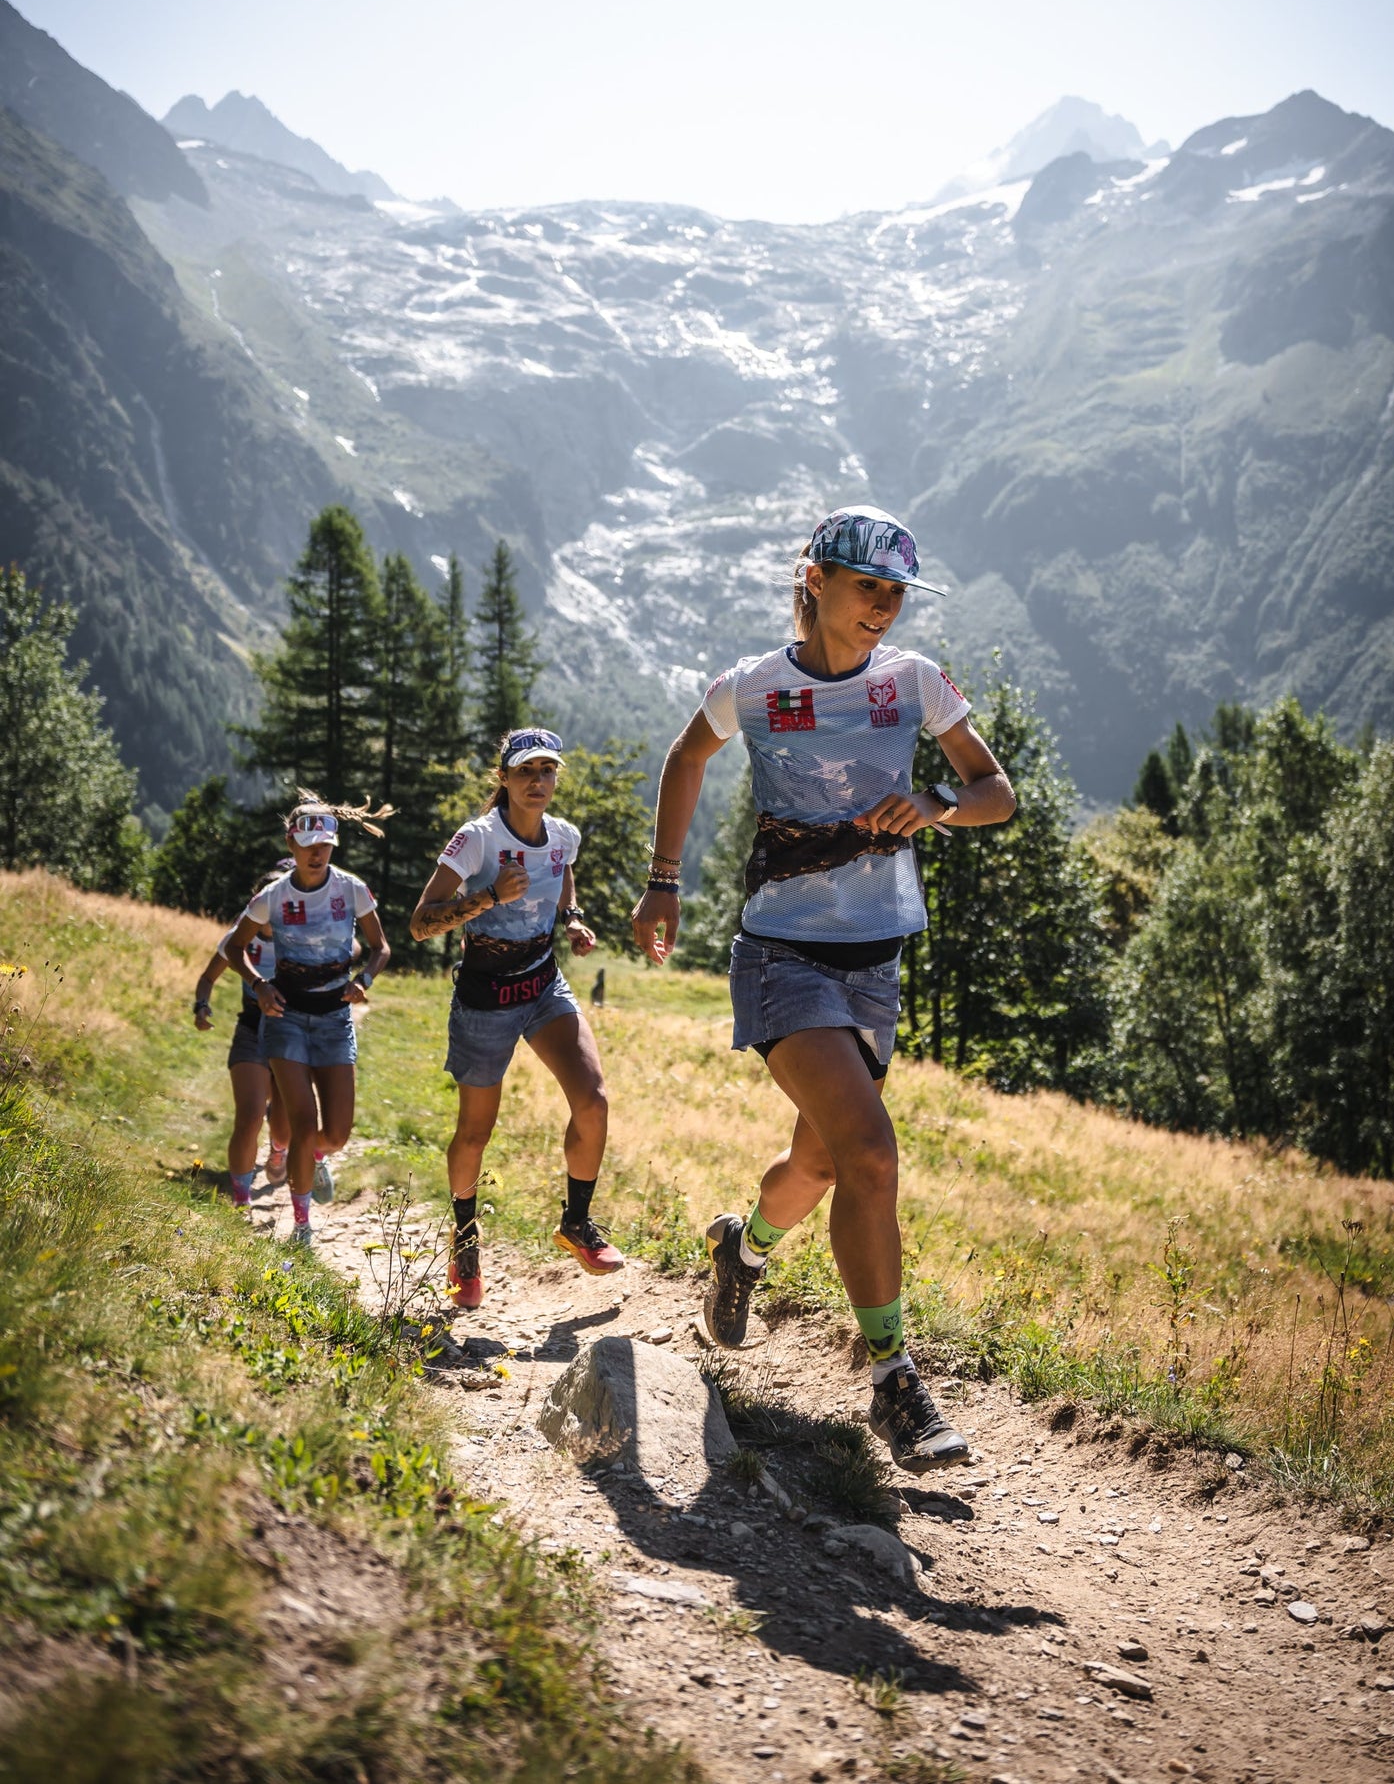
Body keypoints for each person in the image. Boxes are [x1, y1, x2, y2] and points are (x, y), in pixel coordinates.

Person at [631, 506, 1015, 1474]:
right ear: (814, 580)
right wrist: (662, 879)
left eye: (894, 593)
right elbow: (686, 757)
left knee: (819, 1161)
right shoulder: (752, 686)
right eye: (865, 587)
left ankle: (742, 1249)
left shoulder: (915, 683)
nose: (881, 608)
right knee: (871, 1154)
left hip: (874, 956)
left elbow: (995, 791)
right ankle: (893, 1380)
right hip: (781, 955)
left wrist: (935, 805)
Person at [410, 727, 623, 1308]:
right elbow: (421, 922)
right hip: (484, 997)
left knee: (594, 1100)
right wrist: (487, 900)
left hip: (542, 984)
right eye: (525, 771)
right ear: (503, 779)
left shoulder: (564, 836)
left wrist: (573, 916)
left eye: (547, 770)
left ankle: (576, 1223)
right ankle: (464, 1241)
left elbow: (562, 871)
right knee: (476, 1131)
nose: (538, 781)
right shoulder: (475, 841)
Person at [224, 793, 392, 1247]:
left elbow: (381, 947)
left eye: (325, 844)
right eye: (308, 843)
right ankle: (302, 1226)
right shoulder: (272, 897)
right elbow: (232, 948)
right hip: (287, 1016)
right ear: (291, 844)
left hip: (336, 1018)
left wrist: (367, 980)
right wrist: (259, 985)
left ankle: (315, 1157)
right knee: (302, 1118)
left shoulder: (352, 889)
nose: (317, 852)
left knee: (335, 1133)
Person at [192, 860, 293, 1204]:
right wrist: (201, 1006)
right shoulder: (240, 938)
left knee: (283, 1122)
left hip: (293, 1032)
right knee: (249, 1115)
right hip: (251, 1027)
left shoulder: (300, 937)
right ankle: (239, 1199)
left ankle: (279, 1149)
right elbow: (207, 978)